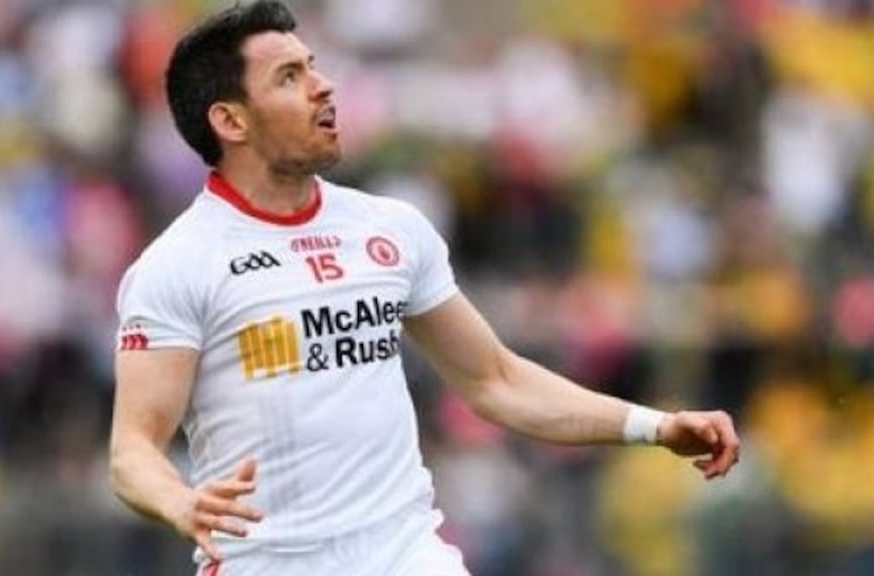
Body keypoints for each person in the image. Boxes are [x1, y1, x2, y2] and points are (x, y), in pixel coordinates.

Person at [107, 2, 741, 575]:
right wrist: (182, 502)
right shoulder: (178, 265)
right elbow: (133, 450)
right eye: (289, 78)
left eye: (313, 66)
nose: (323, 86)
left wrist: (655, 427)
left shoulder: (390, 229)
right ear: (230, 120)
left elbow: (496, 380)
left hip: (404, 552)